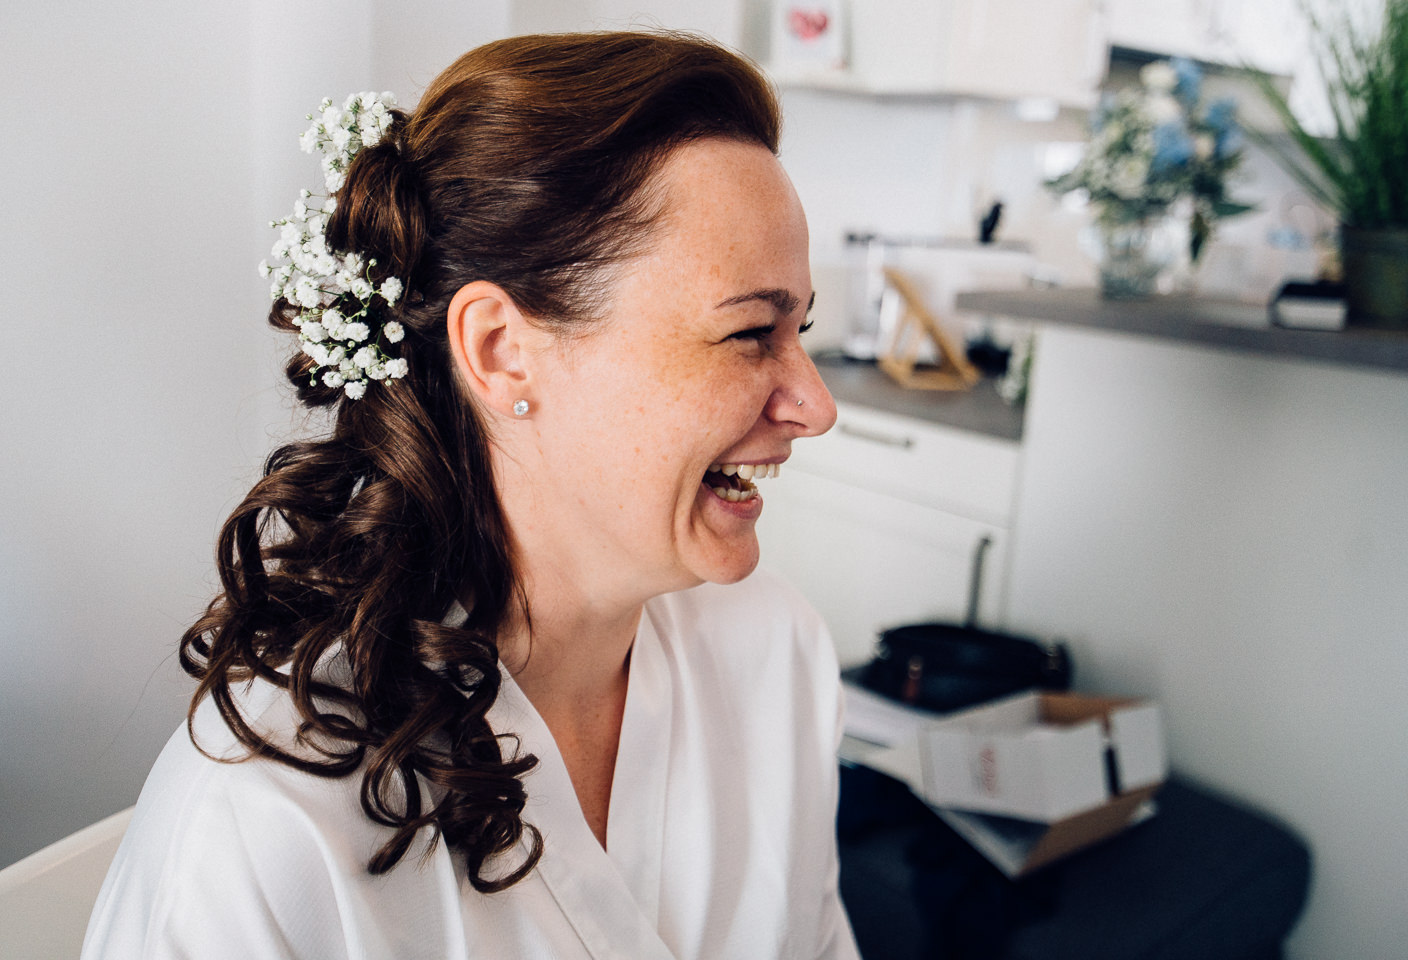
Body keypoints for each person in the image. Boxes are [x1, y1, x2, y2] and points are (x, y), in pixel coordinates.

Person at [82, 31, 855, 960]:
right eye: (750, 333)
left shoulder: (776, 655)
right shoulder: (264, 824)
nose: (815, 405)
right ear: (499, 348)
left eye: (801, 328)